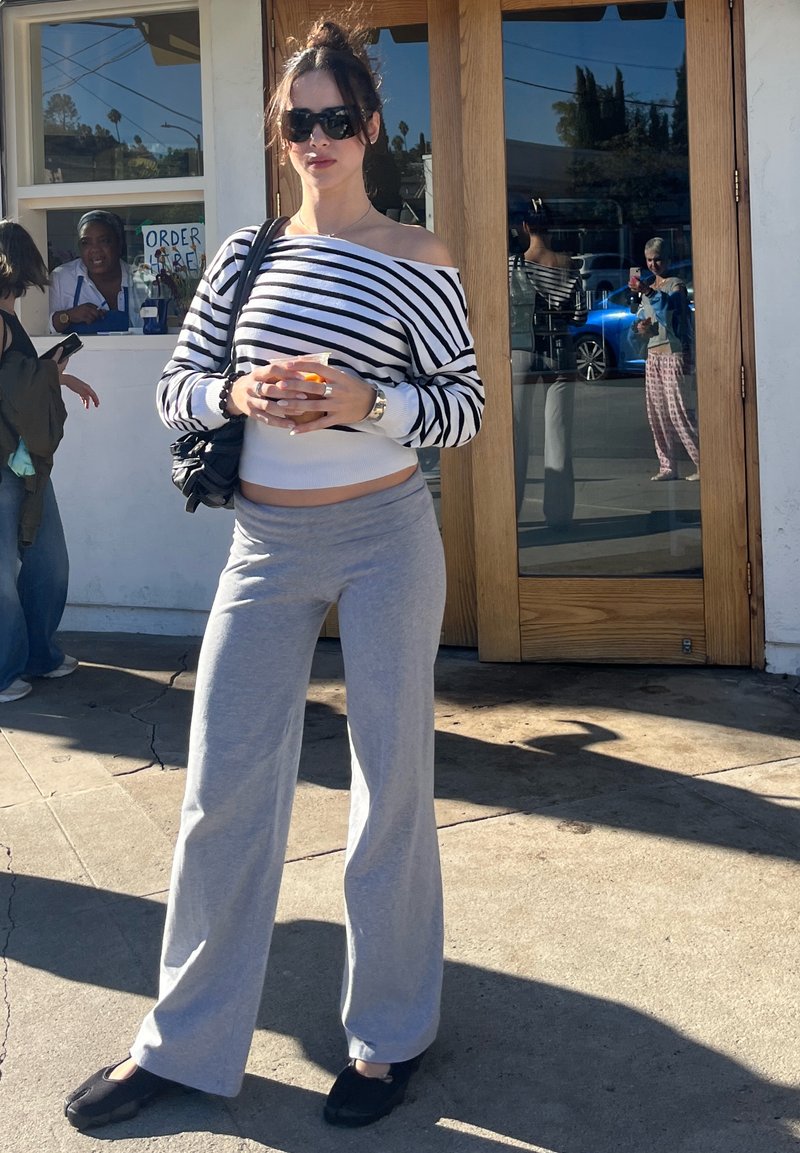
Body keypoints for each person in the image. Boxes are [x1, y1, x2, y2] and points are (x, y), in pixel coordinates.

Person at [64, 16, 483, 1134]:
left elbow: (465, 406)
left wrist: (366, 402)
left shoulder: (418, 256)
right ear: (279, 133)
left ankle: (388, 1038)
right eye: (298, 121)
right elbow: (177, 388)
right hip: (264, 542)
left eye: (336, 118)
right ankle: (185, 1045)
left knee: (388, 790)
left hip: (386, 534)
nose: (316, 137)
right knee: (221, 792)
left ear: (373, 128)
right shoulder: (246, 254)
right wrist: (238, 397)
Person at [0, 220, 99, 705]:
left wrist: (56, 376)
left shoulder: (8, 317)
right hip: (9, 460)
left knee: (46, 561)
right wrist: (47, 375)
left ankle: (38, 654)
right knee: (7, 569)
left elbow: (15, 379)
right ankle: (5, 669)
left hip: (22, 461)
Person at [508, 198, 585, 527]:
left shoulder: (513, 265)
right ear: (551, 227)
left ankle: (510, 510)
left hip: (523, 349)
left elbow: (506, 311)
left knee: (516, 437)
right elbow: (580, 316)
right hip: (562, 352)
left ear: (526, 227)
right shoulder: (569, 264)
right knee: (559, 433)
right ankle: (559, 514)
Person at [629, 237, 699, 482]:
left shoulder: (675, 285)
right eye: (649, 260)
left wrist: (648, 291)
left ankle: (702, 460)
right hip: (654, 354)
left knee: (679, 410)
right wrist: (639, 328)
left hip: (675, 353)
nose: (653, 264)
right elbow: (642, 322)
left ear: (667, 260)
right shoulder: (647, 288)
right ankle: (667, 465)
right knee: (657, 413)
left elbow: (671, 311)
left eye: (658, 259)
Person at [49, 210, 146, 334]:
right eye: (86, 243)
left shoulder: (140, 280)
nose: (95, 249)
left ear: (119, 244)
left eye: (104, 241)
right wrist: (68, 316)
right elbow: (45, 328)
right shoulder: (61, 278)